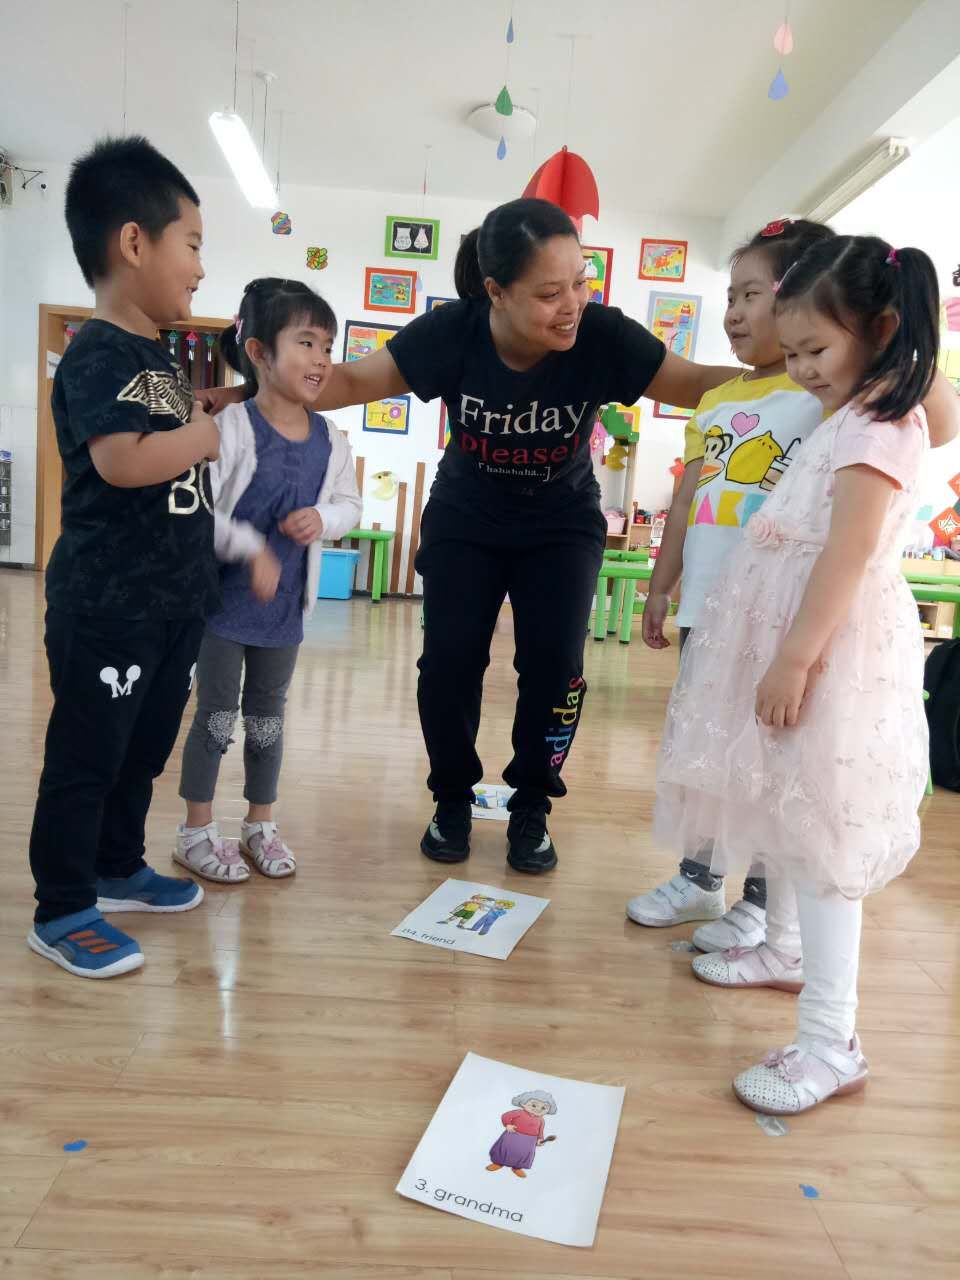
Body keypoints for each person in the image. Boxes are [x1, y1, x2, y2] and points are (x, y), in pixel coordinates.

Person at [200, 199, 742, 873]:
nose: (572, 304)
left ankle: (532, 805)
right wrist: (238, 396)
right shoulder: (450, 335)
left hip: (561, 522)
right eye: (549, 292)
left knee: (556, 669)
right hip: (467, 516)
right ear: (496, 291)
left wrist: (803, 373)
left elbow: (694, 384)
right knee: (449, 663)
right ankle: (452, 798)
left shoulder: (604, 336)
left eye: (580, 282)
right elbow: (349, 381)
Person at [654, 235, 954, 1115]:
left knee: (821, 838)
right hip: (801, 641)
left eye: (815, 350)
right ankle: (782, 946)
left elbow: (850, 554)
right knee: (783, 807)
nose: (802, 370)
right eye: (792, 355)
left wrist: (794, 658)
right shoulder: (849, 415)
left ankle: (832, 1040)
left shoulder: (882, 423)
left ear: (882, 329)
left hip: (830, 652)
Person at [27, 136, 220, 978]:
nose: (201, 269)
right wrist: (202, 436)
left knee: (141, 751)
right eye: (193, 245)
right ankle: (64, 906)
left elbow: (177, 425)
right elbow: (123, 459)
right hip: (109, 607)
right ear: (134, 243)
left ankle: (115, 866)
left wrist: (218, 408)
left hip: (171, 605)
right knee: (88, 756)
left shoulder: (156, 357)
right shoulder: (99, 350)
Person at [626, 218, 835, 953]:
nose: (734, 313)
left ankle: (763, 900)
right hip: (707, 608)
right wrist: (662, 585)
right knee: (703, 744)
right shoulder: (715, 400)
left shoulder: (819, 393)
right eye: (731, 296)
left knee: (768, 755)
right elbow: (688, 498)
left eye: (753, 295)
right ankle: (699, 878)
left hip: (776, 613)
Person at [174, 278, 361, 882]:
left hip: (283, 613)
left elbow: (349, 504)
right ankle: (196, 831)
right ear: (258, 352)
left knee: (267, 720)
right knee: (216, 717)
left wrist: (323, 518)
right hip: (222, 608)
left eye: (327, 346)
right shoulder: (230, 427)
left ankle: (259, 824)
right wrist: (252, 549)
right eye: (305, 343)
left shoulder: (332, 440)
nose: (321, 359)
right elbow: (200, 512)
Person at [487, 1089, 557, 1178]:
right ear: (523, 1103)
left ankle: (517, 1167)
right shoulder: (519, 1112)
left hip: (529, 1141)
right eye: (534, 1105)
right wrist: (507, 1124)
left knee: (523, 1154)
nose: (538, 1109)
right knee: (505, 1149)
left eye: (543, 1108)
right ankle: (498, 1163)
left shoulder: (541, 1120)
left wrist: (540, 1139)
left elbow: (540, 1131)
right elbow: (505, 1116)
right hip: (513, 1135)